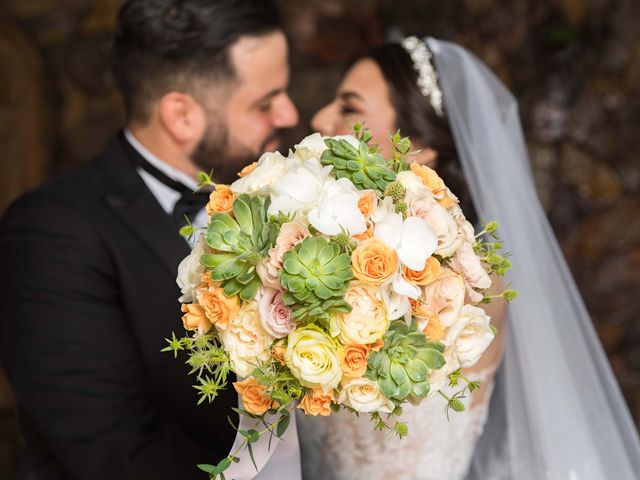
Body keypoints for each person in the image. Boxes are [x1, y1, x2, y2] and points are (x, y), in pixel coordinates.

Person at [298, 37, 640, 479]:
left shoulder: (458, 282)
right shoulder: (325, 253)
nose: (320, 118)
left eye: (349, 107)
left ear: (418, 143)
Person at [0, 1, 298, 479]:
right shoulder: (51, 231)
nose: (290, 112)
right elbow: (114, 452)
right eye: (265, 102)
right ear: (181, 116)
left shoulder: (289, 205)